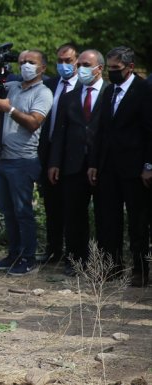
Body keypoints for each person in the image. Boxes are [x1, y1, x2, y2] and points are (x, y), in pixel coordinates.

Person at [0, 49, 53, 275]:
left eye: (31, 62)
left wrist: (9, 109)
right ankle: (14, 254)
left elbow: (34, 123)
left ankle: (28, 258)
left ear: (42, 68)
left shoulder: (43, 92)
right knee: (7, 211)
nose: (25, 66)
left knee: (23, 211)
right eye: (22, 62)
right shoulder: (11, 86)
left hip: (23, 161)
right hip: (1, 159)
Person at [88, 46, 152, 287]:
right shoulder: (109, 91)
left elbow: (149, 132)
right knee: (108, 219)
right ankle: (111, 267)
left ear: (130, 67)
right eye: (110, 68)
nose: (112, 73)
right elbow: (101, 131)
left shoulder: (143, 91)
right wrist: (94, 163)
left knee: (138, 222)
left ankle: (141, 269)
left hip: (135, 168)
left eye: (117, 69)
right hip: (108, 167)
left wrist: (148, 165)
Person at [48, 49, 107, 276]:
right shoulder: (69, 97)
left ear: (98, 68)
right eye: (79, 64)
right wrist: (55, 162)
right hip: (72, 164)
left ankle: (103, 262)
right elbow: (60, 132)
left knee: (105, 215)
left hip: (101, 164)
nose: (78, 68)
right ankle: (76, 261)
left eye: (84, 64)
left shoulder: (109, 93)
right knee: (73, 215)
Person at [38, 43, 79, 264]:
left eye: (68, 61)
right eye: (60, 61)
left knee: (73, 208)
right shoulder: (50, 85)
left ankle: (74, 254)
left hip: (74, 156)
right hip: (50, 152)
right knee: (52, 206)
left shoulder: (83, 85)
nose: (63, 65)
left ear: (77, 60)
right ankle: (53, 249)